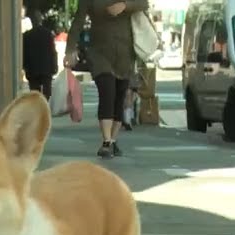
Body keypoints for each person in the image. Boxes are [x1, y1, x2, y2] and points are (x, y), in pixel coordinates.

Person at [64, 0, 149, 158]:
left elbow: (144, 3)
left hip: (125, 55)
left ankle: (114, 140)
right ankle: (106, 141)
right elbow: (78, 22)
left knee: (119, 97)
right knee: (107, 93)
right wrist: (69, 50)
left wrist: (125, 5)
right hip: (99, 54)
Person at [22, 10, 59, 99]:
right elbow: (52, 51)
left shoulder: (27, 36)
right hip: (46, 69)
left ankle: (38, 110)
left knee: (35, 95)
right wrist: (54, 65)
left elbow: (24, 54)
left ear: (32, 21)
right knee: (47, 94)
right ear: (40, 20)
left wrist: (25, 67)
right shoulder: (48, 33)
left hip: (32, 70)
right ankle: (45, 108)